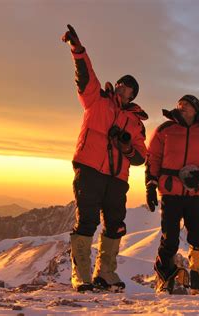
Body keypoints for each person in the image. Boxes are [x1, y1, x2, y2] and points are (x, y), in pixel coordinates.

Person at [61, 25, 148, 292]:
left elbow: (141, 156)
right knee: (87, 221)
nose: (124, 91)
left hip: (117, 178)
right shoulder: (96, 99)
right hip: (89, 168)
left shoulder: (135, 122)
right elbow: (85, 75)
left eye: (130, 90)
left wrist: (125, 147)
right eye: (122, 86)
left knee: (115, 225)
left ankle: (106, 273)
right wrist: (77, 49)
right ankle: (82, 275)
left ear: (133, 96)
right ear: (117, 86)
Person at [145, 94, 199, 295]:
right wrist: (151, 185)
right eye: (179, 104)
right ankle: (165, 279)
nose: (181, 107)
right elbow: (153, 157)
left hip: (194, 193)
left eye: (186, 105)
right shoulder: (164, 130)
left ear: (196, 110)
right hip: (170, 192)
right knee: (169, 238)